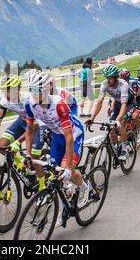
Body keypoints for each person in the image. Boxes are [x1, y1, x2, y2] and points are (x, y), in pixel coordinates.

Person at [25, 71, 89, 228]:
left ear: (46, 90)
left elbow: (69, 136)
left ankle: (84, 187)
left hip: (73, 135)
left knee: (68, 171)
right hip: (57, 137)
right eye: (31, 90)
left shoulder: (59, 104)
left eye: (37, 90)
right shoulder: (29, 104)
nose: (33, 94)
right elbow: (29, 130)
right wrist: (28, 154)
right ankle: (62, 210)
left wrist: (68, 167)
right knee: (57, 175)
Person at [0, 75, 48, 188]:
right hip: (22, 122)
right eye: (3, 91)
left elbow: (33, 126)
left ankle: (42, 187)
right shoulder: (4, 101)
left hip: (37, 125)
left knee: (34, 158)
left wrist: (17, 142)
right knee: (2, 147)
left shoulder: (28, 100)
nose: (6, 95)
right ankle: (23, 166)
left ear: (17, 89)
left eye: (8, 91)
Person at [86, 65, 133, 161]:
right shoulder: (104, 84)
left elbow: (124, 104)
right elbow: (99, 103)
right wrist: (92, 118)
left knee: (120, 123)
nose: (108, 80)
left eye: (110, 78)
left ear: (116, 78)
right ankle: (116, 146)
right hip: (117, 103)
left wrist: (118, 120)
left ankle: (125, 147)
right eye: (106, 78)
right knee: (111, 127)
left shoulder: (123, 84)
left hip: (129, 103)